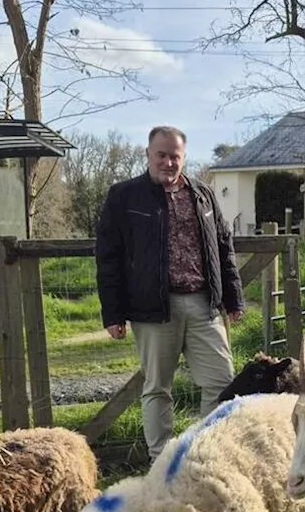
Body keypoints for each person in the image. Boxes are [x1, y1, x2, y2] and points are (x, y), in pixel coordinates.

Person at [94, 125, 245, 462]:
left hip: (204, 303)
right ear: (148, 154)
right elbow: (108, 257)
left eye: (175, 156)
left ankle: (203, 455)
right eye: (161, 155)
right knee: (158, 388)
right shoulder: (124, 196)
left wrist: (232, 297)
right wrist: (113, 312)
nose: (168, 162)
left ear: (184, 157)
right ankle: (162, 461)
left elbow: (224, 246)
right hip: (153, 308)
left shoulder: (203, 194)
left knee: (222, 383)